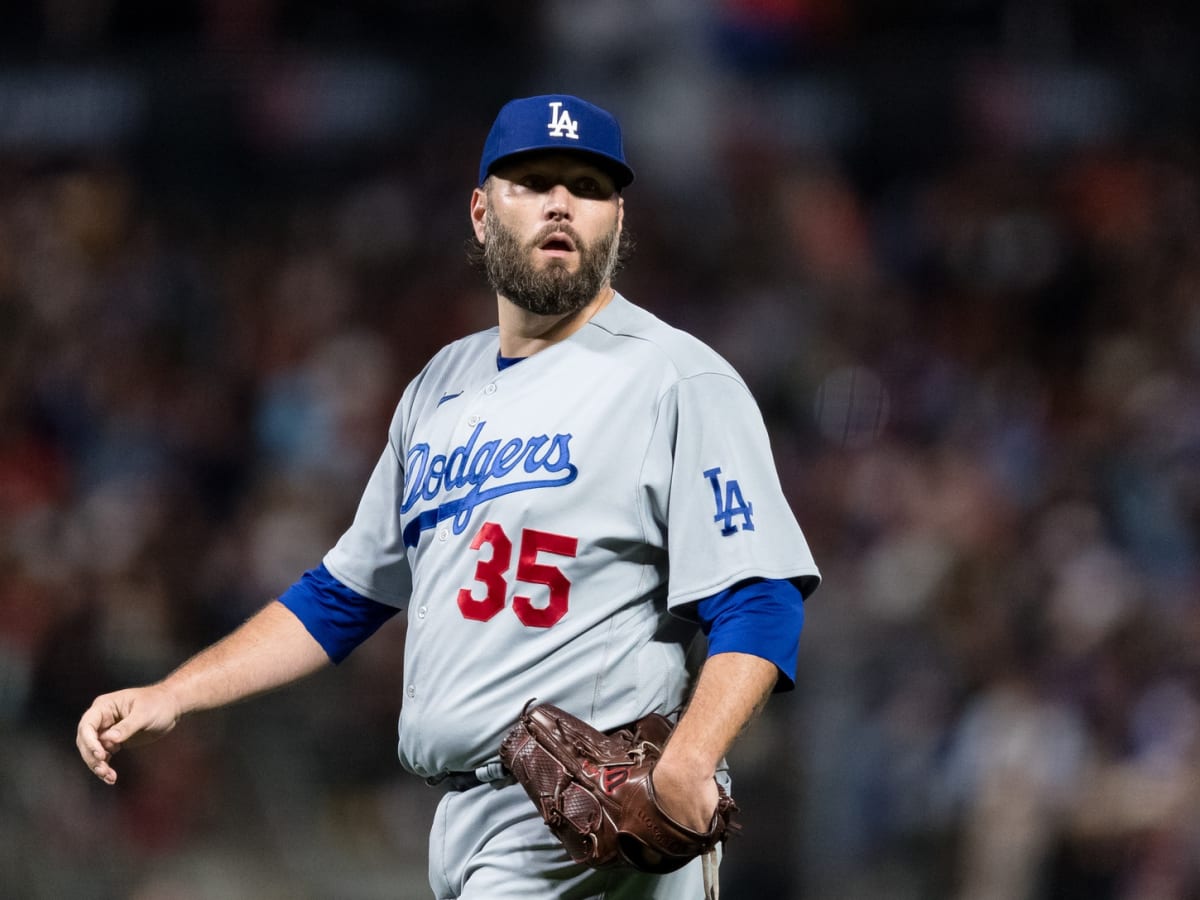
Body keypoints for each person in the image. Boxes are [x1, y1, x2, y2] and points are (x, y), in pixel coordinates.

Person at [76, 94, 821, 899]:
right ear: (479, 211)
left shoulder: (678, 378)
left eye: (588, 185)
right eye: (532, 182)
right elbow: (341, 597)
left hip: (592, 825)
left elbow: (762, 592)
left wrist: (691, 761)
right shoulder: (438, 389)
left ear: (617, 218)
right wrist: (174, 694)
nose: (561, 202)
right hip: (463, 820)